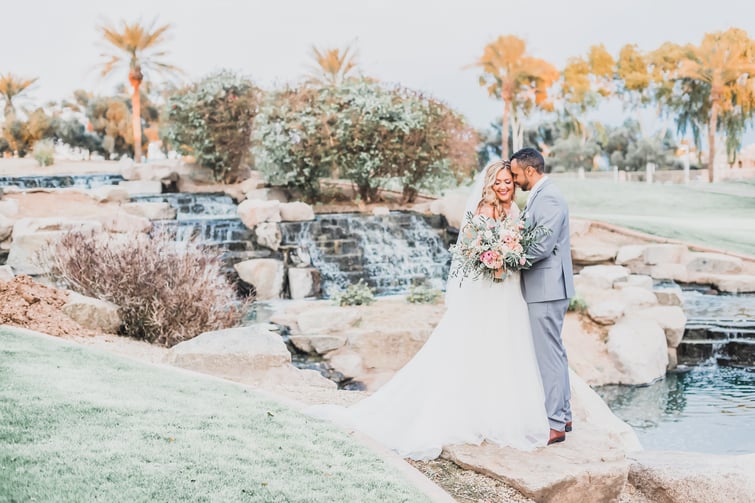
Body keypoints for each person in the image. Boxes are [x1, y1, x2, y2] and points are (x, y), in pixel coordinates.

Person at [306, 160, 549, 461]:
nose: (503, 186)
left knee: (504, 349)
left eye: (507, 182)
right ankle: (469, 415)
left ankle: (498, 414)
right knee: (476, 349)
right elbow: (471, 252)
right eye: (497, 181)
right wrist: (493, 258)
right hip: (488, 292)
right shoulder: (483, 212)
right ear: (489, 184)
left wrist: (509, 255)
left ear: (514, 184)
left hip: (509, 291)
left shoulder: (514, 211)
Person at [509, 147, 575, 445]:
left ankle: (554, 424)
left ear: (530, 171)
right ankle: (564, 414)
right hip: (546, 287)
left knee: (548, 356)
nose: (513, 179)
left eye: (515, 173)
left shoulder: (548, 197)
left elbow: (542, 246)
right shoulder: (540, 194)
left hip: (547, 288)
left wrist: (507, 258)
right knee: (555, 353)